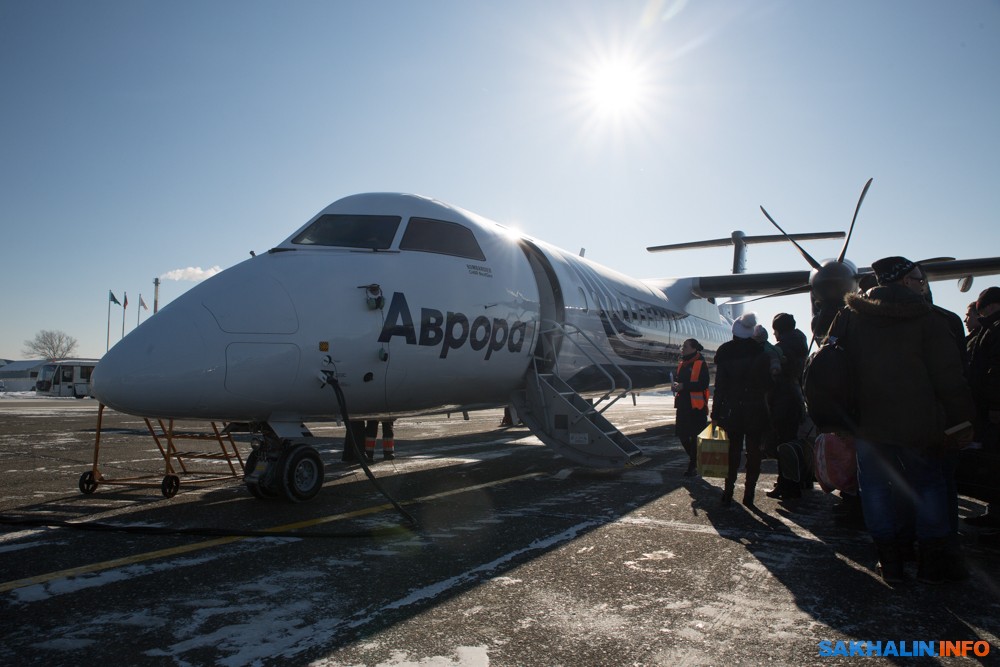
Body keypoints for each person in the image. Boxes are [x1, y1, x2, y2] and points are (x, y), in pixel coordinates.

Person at [842, 256, 974, 585]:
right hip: (920, 424)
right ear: (903, 282)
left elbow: (837, 367)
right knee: (928, 486)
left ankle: (890, 562)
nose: (922, 284)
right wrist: (962, 420)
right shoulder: (928, 318)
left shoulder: (853, 317)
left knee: (873, 490)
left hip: (869, 424)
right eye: (919, 280)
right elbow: (949, 378)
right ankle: (931, 563)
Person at [711, 312, 774, 507]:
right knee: (754, 452)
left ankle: (728, 491)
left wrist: (715, 412)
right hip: (756, 408)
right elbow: (769, 384)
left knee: (732, 451)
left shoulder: (725, 352)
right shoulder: (761, 352)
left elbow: (719, 387)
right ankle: (749, 494)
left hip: (732, 409)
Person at [963, 286, 1000, 528]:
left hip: (993, 410)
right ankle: (994, 513)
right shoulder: (989, 330)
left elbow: (995, 371)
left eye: (983, 308)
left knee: (994, 460)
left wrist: (996, 405)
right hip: (987, 408)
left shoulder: (994, 330)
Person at [766, 313, 810, 500]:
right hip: (795, 397)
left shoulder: (781, 349)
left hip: (783, 400)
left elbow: (774, 374)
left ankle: (788, 485)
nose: (774, 335)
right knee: (792, 441)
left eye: (775, 330)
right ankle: (797, 480)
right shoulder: (800, 343)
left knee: (783, 444)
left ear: (779, 330)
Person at [673, 338, 710, 477]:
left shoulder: (701, 363)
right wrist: (676, 385)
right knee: (682, 435)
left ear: (694, 348)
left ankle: (692, 465)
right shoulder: (682, 363)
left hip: (696, 407)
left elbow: (703, 384)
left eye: (686, 346)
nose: (683, 348)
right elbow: (680, 380)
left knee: (695, 437)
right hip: (683, 404)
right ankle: (695, 460)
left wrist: (684, 386)